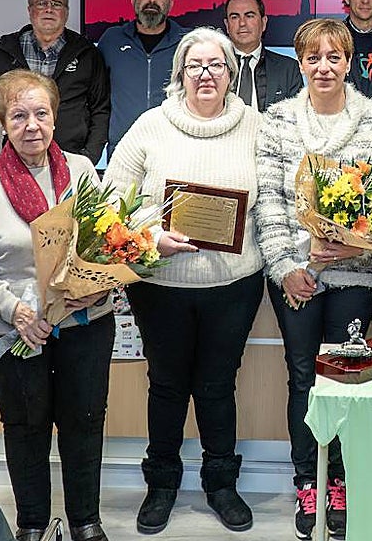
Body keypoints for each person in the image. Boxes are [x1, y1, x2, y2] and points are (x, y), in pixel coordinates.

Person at [105, 27, 264, 536]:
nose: (205, 74)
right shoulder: (150, 127)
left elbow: (282, 199)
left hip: (234, 284)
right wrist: (151, 237)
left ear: (231, 71)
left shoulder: (257, 128)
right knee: (167, 385)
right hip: (160, 284)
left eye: (216, 65)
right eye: (194, 65)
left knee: (219, 387)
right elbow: (111, 201)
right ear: (179, 73)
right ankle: (162, 485)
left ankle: (221, 484)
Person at [254, 18, 372, 540]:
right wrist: (290, 267)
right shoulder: (276, 122)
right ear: (299, 62)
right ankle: (306, 483)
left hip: (357, 274)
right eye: (313, 57)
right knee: (302, 378)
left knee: (346, 378)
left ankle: (338, 480)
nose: (324, 67)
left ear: (349, 61)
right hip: (296, 275)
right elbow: (267, 204)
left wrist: (351, 245)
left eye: (334, 56)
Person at [0, 70, 111, 541]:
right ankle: (32, 525)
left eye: (41, 114)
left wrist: (100, 283)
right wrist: (16, 311)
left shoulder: (82, 170)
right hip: (11, 329)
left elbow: (104, 243)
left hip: (84, 321)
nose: (32, 126)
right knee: (26, 428)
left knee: (84, 424)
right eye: (19, 116)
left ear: (55, 116)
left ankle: (86, 521)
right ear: (2, 121)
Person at [0, 0, 111, 168]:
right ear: (30, 11)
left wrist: (88, 159)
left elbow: (101, 109)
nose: (49, 9)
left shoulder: (86, 53)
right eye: (42, 4)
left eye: (56, 4)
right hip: (16, 163)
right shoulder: (6, 52)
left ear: (66, 12)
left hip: (70, 161)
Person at [99, 0, 188, 157]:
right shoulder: (111, 40)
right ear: (133, 0)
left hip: (175, 148)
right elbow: (96, 97)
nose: (152, 0)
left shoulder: (188, 43)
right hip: (122, 148)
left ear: (170, 4)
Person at [223, 0, 302, 111]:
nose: (242, 23)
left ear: (263, 23)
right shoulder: (214, 67)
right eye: (234, 17)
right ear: (227, 26)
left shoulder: (289, 68)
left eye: (249, 16)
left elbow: (296, 118)